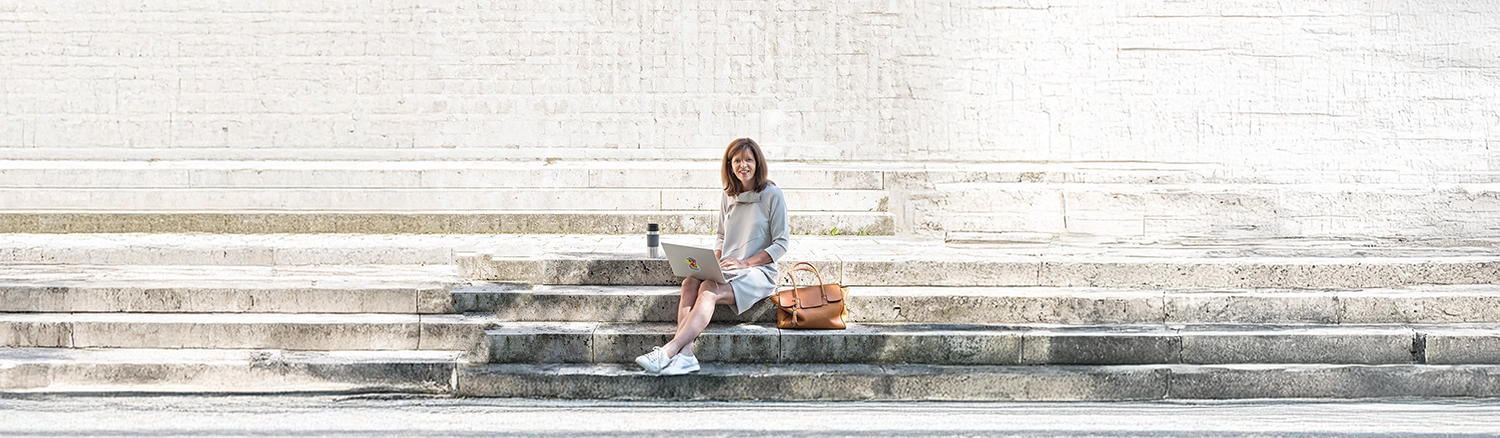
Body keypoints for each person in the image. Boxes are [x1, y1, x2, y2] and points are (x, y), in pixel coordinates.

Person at [635, 138, 790, 375]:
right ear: (729, 165)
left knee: (708, 289)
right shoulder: (728, 195)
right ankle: (686, 356)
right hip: (728, 269)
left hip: (757, 273)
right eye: (737, 160)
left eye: (749, 159)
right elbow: (720, 235)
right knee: (690, 281)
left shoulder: (772, 195)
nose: (743, 165)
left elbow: (781, 244)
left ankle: (669, 351)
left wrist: (745, 262)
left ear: (758, 163)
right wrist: (714, 258)